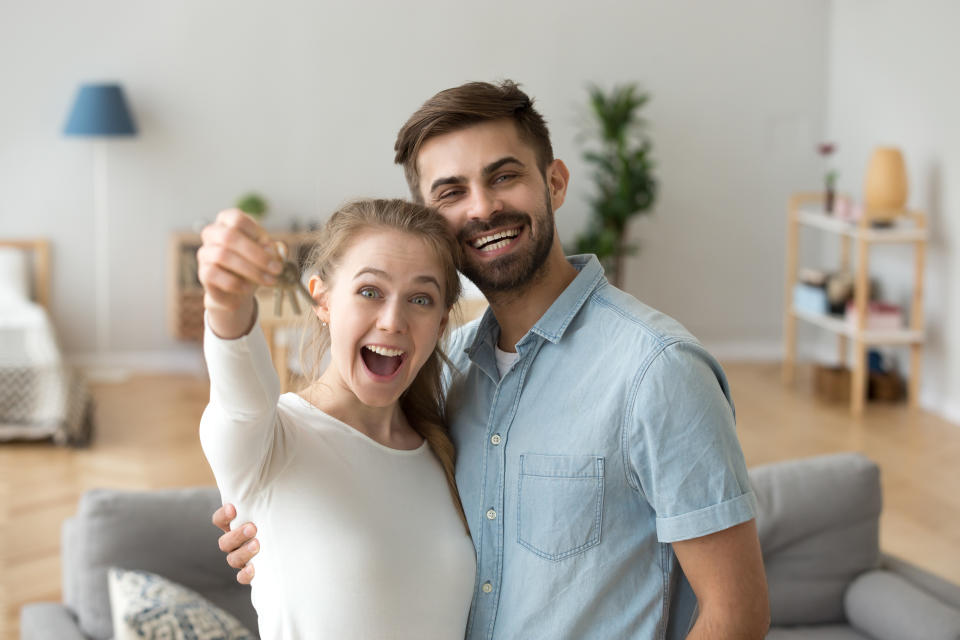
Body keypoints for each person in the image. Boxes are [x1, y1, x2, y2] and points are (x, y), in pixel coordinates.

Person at [213, 81, 770, 639]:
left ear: (554, 182)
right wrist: (284, 538)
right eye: (451, 192)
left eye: (504, 176)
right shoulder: (448, 372)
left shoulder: (657, 370)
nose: (482, 208)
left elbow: (735, 616)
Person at [197, 198, 476, 638]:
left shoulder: (451, 449)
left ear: (441, 325)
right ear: (322, 300)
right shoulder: (270, 440)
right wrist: (225, 297)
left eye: (420, 299)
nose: (393, 320)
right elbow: (241, 393)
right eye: (370, 292)